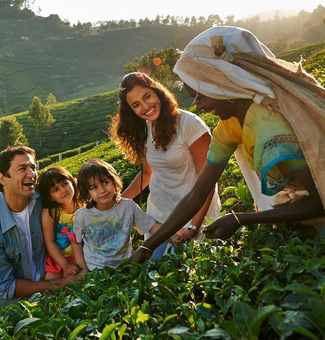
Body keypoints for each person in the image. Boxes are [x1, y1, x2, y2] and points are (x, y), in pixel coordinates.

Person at [131, 26, 325, 263]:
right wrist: (149, 246)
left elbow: (319, 202)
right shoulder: (229, 127)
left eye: (200, 95)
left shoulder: (270, 123)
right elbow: (197, 193)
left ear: (222, 84)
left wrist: (240, 218)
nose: (198, 105)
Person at [110, 72, 221, 258]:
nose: (145, 107)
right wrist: (116, 203)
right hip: (158, 219)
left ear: (157, 92)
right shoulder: (147, 128)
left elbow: (207, 182)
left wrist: (193, 226)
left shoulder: (190, 125)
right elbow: (147, 173)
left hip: (191, 216)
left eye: (147, 96)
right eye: (136, 105)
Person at [0, 146, 78, 306]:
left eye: (33, 168)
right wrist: (63, 283)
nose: (32, 174)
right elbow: (5, 287)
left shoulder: (43, 200)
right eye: (22, 169)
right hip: (12, 311)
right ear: (2, 178)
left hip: (48, 295)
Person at [71, 158, 160, 271]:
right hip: (95, 269)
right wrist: (83, 269)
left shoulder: (128, 206)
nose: (102, 190)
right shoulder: (82, 215)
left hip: (126, 266)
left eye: (105, 182)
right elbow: (76, 242)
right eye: (94, 187)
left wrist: (174, 233)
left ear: (114, 181)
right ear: (87, 192)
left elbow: (151, 226)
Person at [36, 166, 86, 278]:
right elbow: (50, 242)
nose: (63, 190)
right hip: (59, 257)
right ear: (50, 197)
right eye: (55, 189)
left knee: (73, 277)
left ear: (72, 182)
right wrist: (65, 265)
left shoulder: (83, 203)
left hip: (80, 252)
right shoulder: (50, 212)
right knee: (51, 280)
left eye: (64, 183)